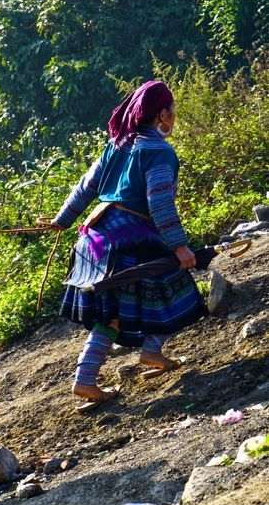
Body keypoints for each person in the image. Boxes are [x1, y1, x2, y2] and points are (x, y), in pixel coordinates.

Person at [49, 80, 207, 412]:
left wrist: (62, 220)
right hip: (128, 241)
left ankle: (97, 374)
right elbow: (160, 203)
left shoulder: (117, 145)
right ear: (162, 114)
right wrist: (180, 247)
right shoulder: (159, 151)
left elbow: (86, 186)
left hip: (93, 239)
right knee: (176, 285)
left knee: (115, 313)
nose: (173, 117)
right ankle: (134, 358)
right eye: (172, 111)